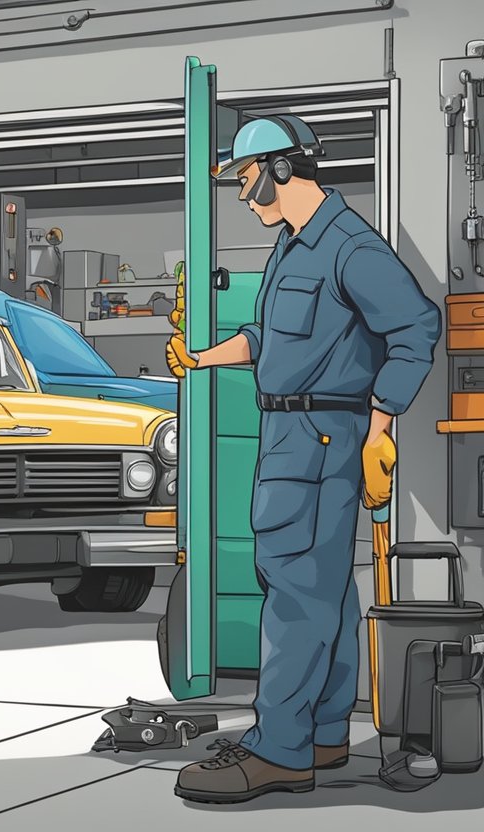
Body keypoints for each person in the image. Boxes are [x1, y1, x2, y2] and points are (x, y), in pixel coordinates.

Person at [165, 115, 441, 803]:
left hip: (321, 438)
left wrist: (380, 429)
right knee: (324, 590)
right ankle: (321, 732)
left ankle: (279, 751)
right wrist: (202, 360)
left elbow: (416, 328)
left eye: (245, 177)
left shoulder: (348, 245)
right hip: (292, 435)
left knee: (294, 590)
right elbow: (269, 338)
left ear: (282, 169)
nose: (240, 192)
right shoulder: (294, 246)